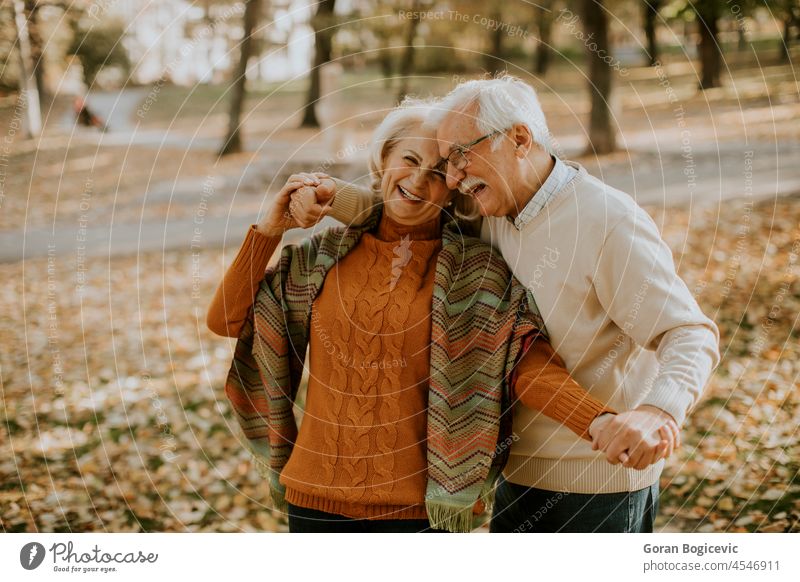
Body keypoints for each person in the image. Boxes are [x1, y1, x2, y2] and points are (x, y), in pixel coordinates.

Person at [206, 100, 670, 533]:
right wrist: (268, 230)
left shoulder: (476, 271)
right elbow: (226, 320)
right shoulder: (318, 258)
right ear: (383, 159)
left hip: (421, 513)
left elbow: (523, 368)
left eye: (438, 172)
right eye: (409, 160)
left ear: (454, 189)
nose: (419, 180)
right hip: (312, 500)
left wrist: (600, 422)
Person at [295, 76, 720, 533]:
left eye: (460, 155)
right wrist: (331, 197)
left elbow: (689, 332)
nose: (453, 177)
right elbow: (410, 207)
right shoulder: (491, 210)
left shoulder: (608, 222)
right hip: (513, 479)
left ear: (518, 138)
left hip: (598, 485)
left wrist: (659, 411)